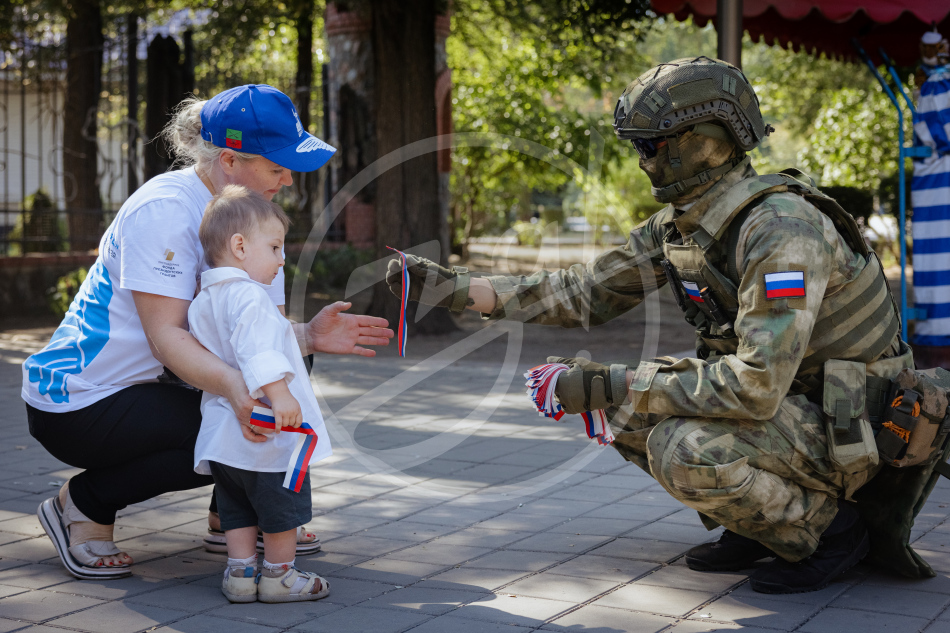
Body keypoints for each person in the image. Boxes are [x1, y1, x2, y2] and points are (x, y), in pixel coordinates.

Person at [387, 57, 922, 594]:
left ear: (703, 139)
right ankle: (760, 524)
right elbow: (582, 293)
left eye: (650, 145)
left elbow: (756, 386)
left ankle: (831, 532)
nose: (642, 162)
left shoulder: (781, 230)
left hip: (854, 428)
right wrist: (450, 288)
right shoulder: (681, 225)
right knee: (610, 403)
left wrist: (614, 380)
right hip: (796, 414)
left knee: (681, 446)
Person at [24, 84, 393, 580]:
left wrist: (306, 336)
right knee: (223, 423)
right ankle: (84, 505)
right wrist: (236, 392)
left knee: (285, 367)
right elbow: (166, 337)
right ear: (229, 160)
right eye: (276, 167)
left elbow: (261, 331)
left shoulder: (252, 217)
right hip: (83, 401)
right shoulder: (165, 210)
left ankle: (235, 514)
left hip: (156, 387)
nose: (288, 181)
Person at [189, 185, 332, 603]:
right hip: (268, 431)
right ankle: (279, 576)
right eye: (274, 247)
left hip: (223, 433)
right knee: (280, 508)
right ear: (239, 246)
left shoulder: (204, 300)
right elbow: (257, 350)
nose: (281, 258)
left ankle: (239, 574)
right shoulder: (251, 296)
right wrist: (281, 394)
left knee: (235, 508)